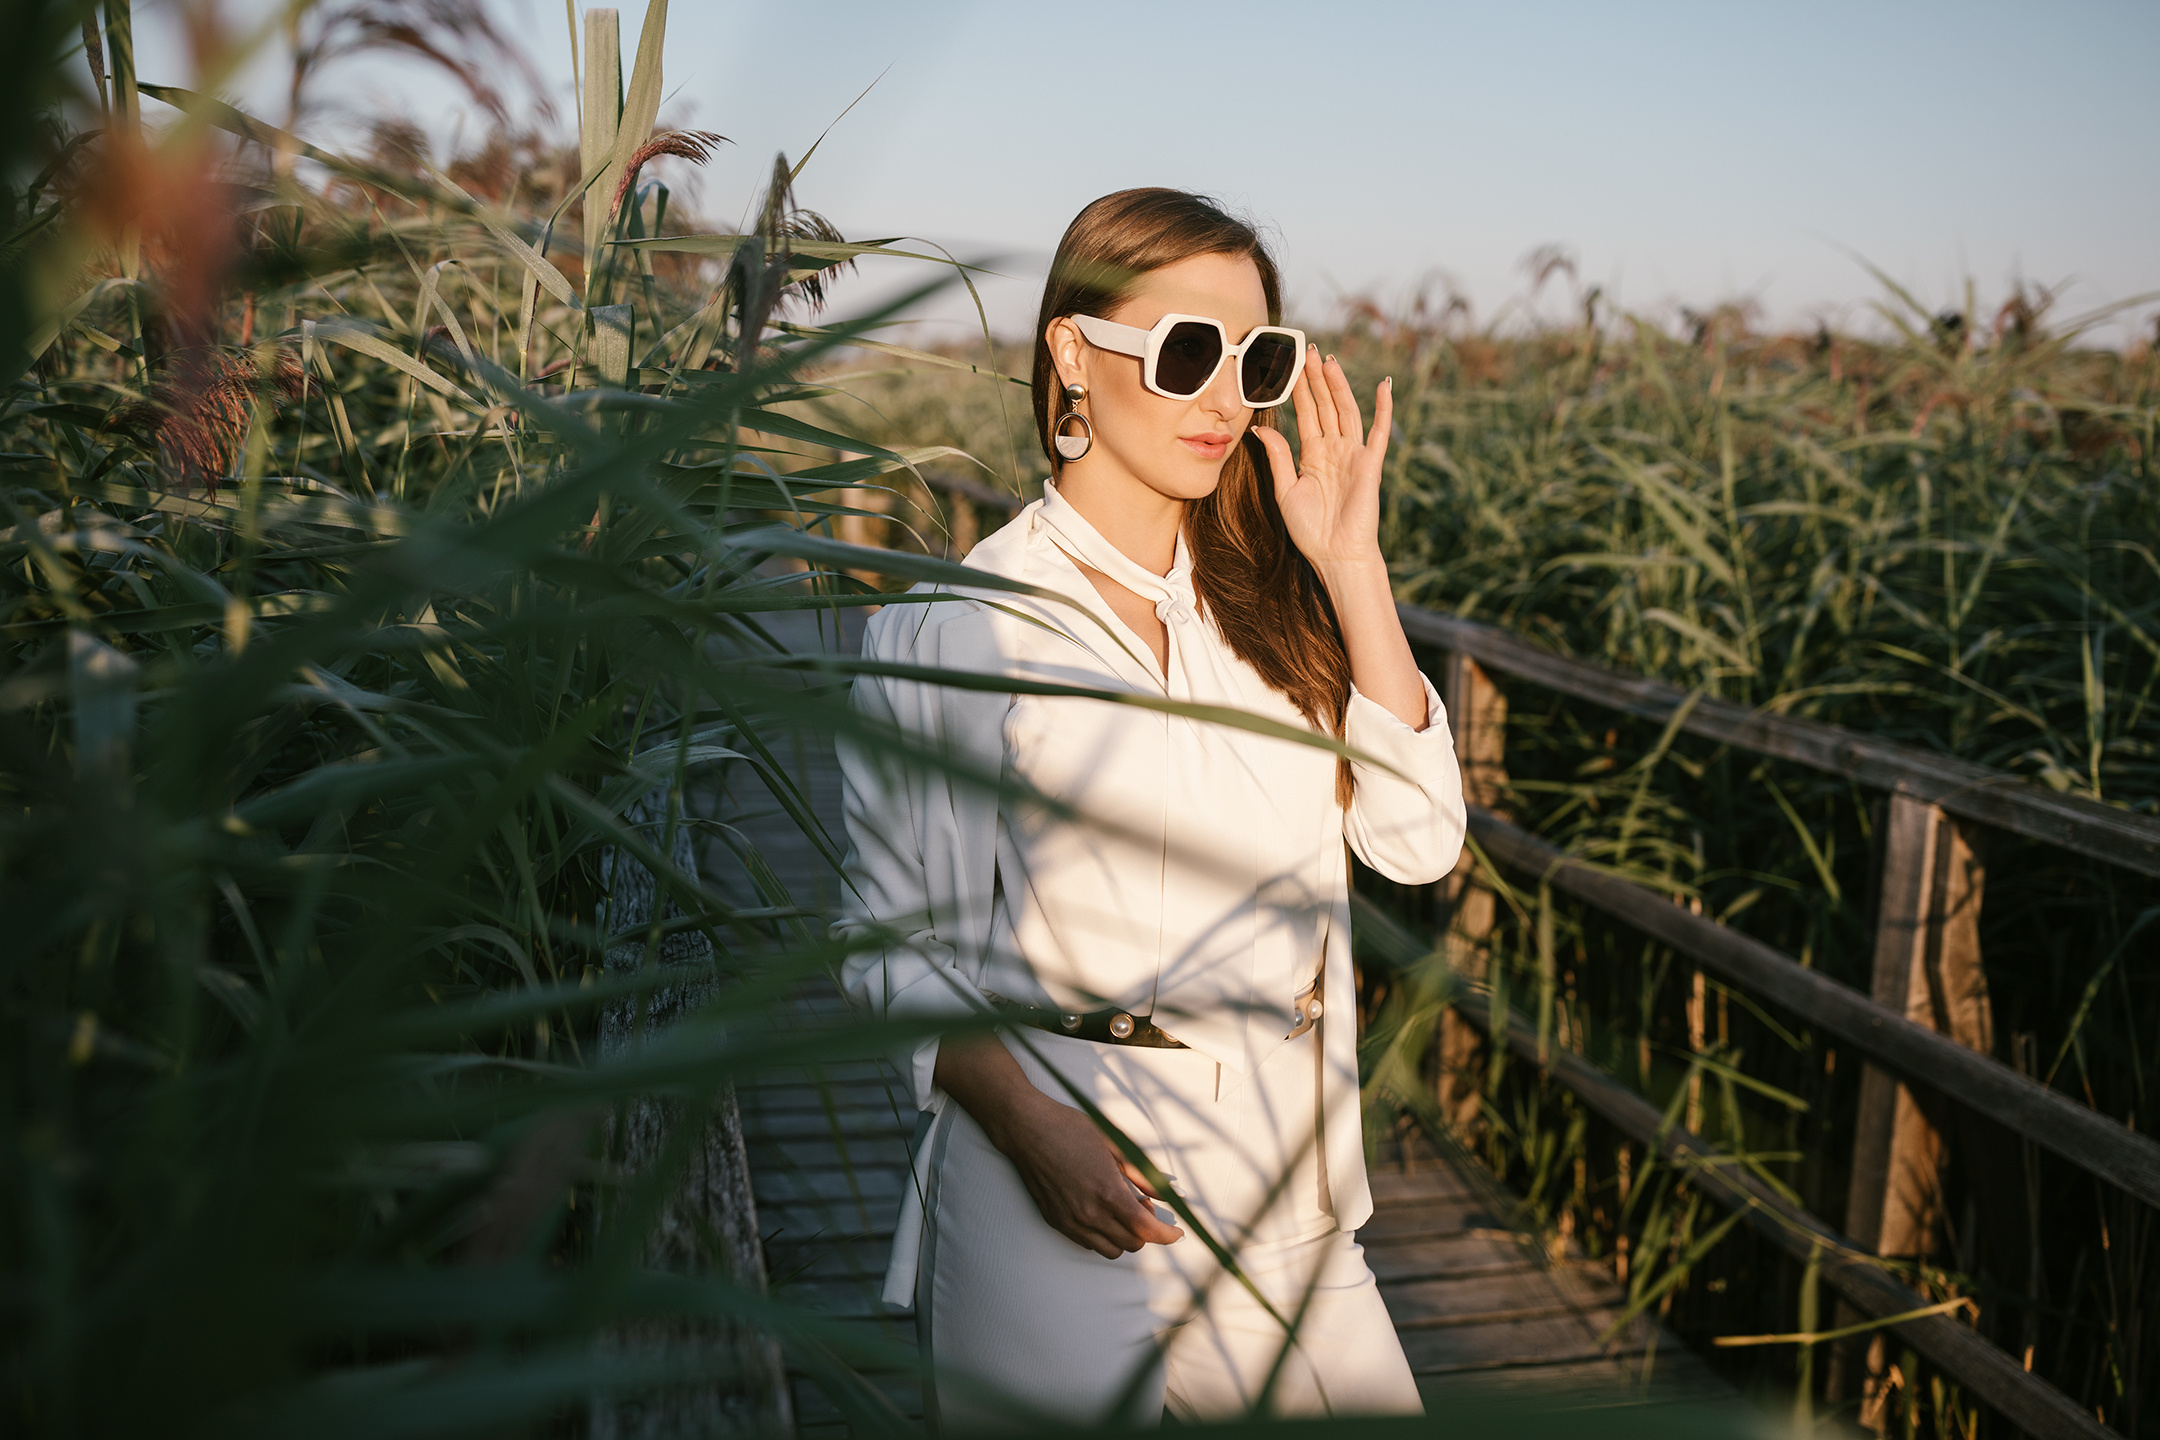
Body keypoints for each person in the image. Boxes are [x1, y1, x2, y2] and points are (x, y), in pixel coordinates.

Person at [834, 187, 1466, 1429]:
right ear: (1073, 354)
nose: (1226, 398)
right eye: (1186, 353)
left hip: (1284, 1189)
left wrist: (1351, 566)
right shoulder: (957, 631)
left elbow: (1416, 839)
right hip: (1060, 1170)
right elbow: (885, 947)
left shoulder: (1275, 611)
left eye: (1256, 360)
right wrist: (1031, 1130)